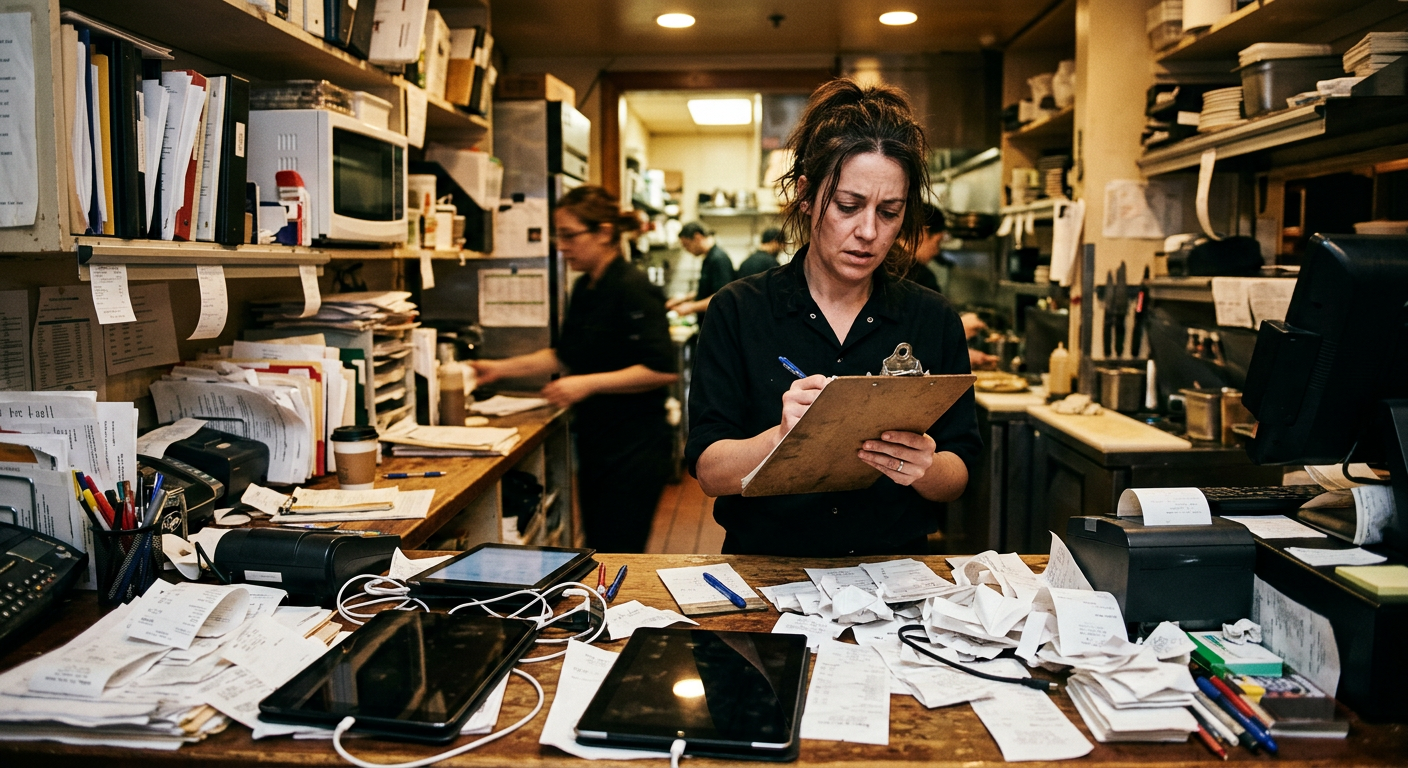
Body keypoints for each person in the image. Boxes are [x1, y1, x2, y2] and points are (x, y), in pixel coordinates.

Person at [686, 79, 984, 557]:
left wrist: (925, 466)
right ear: (806, 195)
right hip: (766, 568)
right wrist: (782, 438)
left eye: (889, 212)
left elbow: (959, 473)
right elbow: (709, 471)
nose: (868, 231)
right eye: (848, 206)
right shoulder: (739, 310)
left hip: (893, 571)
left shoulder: (932, 318)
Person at [470, 186, 679, 553]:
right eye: (558, 236)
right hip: (597, 441)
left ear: (604, 233)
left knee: (620, 549)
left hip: (635, 448)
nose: (561, 246)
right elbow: (566, 355)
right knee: (599, 544)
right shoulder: (585, 287)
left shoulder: (633, 287)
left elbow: (662, 369)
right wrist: (498, 369)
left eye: (569, 235)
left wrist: (586, 385)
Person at [666, 222, 735, 320]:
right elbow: (708, 289)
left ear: (697, 237)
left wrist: (690, 307)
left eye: (686, 245)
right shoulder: (709, 258)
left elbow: (722, 297)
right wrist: (683, 298)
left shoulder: (718, 259)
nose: (686, 250)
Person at [904, 205, 945, 294]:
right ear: (921, 233)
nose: (936, 252)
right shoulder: (922, 278)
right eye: (937, 242)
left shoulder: (879, 266)